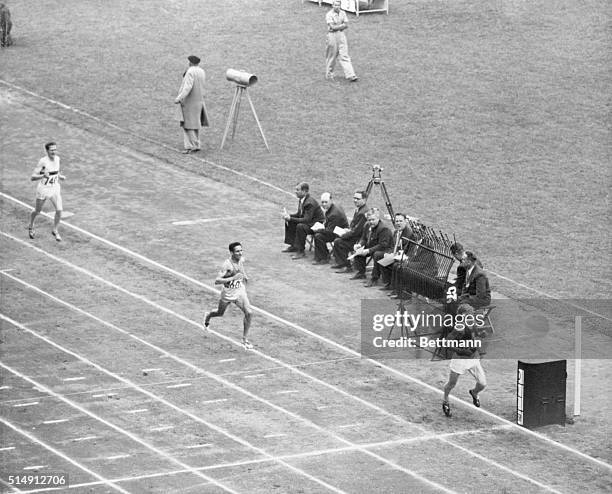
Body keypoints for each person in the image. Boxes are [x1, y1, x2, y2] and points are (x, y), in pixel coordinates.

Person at [203, 242, 254, 350]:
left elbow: (241, 267)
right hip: (228, 293)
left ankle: (245, 340)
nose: (240, 253)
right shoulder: (227, 265)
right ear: (231, 252)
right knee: (219, 313)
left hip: (240, 291)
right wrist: (233, 278)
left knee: (249, 313)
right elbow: (217, 281)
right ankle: (208, 316)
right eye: (237, 251)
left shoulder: (240, 259)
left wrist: (245, 276)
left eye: (241, 250)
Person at [442, 305, 487, 417]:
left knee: (482, 384)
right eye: (469, 313)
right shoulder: (459, 327)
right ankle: (445, 400)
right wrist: (461, 351)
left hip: (473, 358)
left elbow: (475, 333)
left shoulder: (472, 323)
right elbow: (447, 343)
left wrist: (481, 334)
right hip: (460, 360)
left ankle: (474, 392)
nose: (472, 315)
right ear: (463, 315)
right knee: (451, 384)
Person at [28, 142, 66, 241]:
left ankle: (55, 230)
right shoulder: (43, 161)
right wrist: (43, 176)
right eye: (52, 150)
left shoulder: (57, 159)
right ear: (47, 151)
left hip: (54, 188)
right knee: (37, 211)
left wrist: (60, 177)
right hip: (43, 189)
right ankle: (31, 225)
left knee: (59, 210)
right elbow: (32, 177)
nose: (54, 151)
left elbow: (55, 172)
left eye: (55, 149)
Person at [174, 55, 209, 154]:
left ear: (190, 62)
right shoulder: (202, 71)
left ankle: (190, 146)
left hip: (189, 102)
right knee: (196, 124)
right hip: (199, 101)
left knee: (188, 125)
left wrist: (179, 98)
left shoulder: (190, 72)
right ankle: (197, 144)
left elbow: (187, 87)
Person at [281, 182, 324, 259]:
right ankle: (294, 245)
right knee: (291, 221)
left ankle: (300, 251)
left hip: (316, 225)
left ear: (304, 191)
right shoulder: (302, 199)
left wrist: (290, 218)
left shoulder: (309, 203)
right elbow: (299, 214)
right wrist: (289, 216)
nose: (295, 191)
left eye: (297, 190)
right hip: (310, 222)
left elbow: (306, 220)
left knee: (301, 226)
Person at [350, 208, 393, 282]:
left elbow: (383, 245)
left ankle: (374, 278)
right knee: (358, 251)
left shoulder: (384, 229)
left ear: (378, 218)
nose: (371, 222)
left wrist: (368, 250)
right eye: (369, 220)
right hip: (372, 246)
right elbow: (364, 238)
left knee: (376, 254)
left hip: (385, 249)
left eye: (373, 220)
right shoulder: (367, 225)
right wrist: (359, 245)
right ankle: (361, 273)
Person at [331, 190, 368, 272]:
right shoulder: (359, 209)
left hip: (359, 241)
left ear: (364, 199)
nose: (355, 200)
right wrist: (348, 230)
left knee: (339, 242)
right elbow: (354, 227)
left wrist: (344, 235)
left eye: (358, 199)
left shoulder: (363, 212)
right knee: (338, 239)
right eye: (354, 198)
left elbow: (357, 232)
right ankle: (341, 263)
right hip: (355, 237)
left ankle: (347, 266)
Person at [378, 213, 416, 290]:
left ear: (405, 221)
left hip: (404, 257)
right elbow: (392, 245)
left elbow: (407, 249)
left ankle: (395, 287)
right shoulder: (396, 232)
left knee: (395, 265)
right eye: (396, 221)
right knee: (382, 260)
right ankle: (389, 283)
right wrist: (389, 253)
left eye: (400, 221)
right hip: (396, 254)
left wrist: (395, 255)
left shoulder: (409, 233)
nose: (398, 223)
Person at [325, 0, 358, 82]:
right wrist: (342, 26)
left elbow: (346, 25)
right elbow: (332, 27)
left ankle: (351, 75)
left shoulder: (343, 13)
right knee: (332, 55)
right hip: (332, 36)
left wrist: (340, 26)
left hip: (341, 35)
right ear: (332, 5)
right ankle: (329, 74)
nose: (337, 7)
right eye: (335, 5)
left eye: (338, 5)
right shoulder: (329, 15)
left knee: (344, 54)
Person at [312, 192, 348, 264]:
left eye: (326, 202)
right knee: (319, 234)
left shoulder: (334, 213)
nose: (324, 204)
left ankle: (323, 257)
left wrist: (318, 229)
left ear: (331, 201)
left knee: (318, 236)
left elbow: (330, 231)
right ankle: (323, 255)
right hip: (336, 229)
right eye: (322, 202)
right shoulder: (333, 207)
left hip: (339, 233)